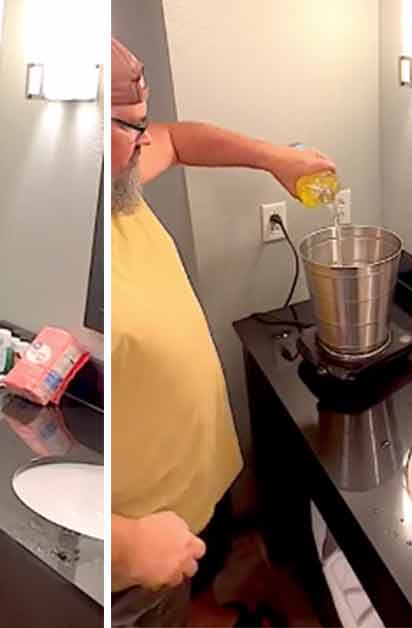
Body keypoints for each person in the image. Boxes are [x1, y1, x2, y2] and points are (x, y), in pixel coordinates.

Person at [110, 37, 337, 627]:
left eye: (142, 124)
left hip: (192, 481)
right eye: (129, 128)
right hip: (140, 538)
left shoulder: (118, 185)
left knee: (209, 567)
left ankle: (233, 581)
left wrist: (273, 159)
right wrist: (127, 547)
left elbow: (179, 139)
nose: (144, 143)